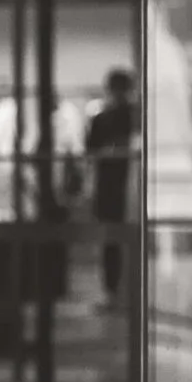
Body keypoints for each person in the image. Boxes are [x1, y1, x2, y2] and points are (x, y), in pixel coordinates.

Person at [85, 64, 135, 300]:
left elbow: (91, 152)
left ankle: (114, 289)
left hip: (114, 186)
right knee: (114, 241)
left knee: (113, 242)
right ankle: (115, 289)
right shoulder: (126, 118)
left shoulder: (105, 119)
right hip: (116, 186)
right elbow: (92, 152)